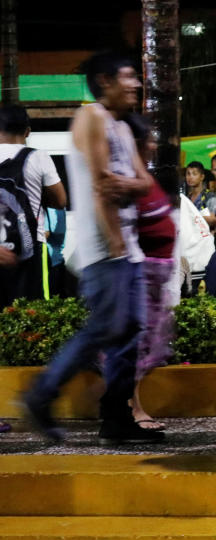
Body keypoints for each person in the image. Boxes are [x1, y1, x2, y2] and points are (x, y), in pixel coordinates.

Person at [21, 52, 162, 444]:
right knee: (107, 327)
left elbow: (143, 182)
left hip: (126, 247)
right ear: (104, 80)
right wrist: (116, 235)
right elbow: (102, 184)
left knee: (129, 333)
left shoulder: (117, 124)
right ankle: (41, 393)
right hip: (106, 248)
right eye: (128, 76)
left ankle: (116, 419)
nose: (136, 84)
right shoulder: (90, 118)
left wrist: (128, 184)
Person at [122, 113, 179, 431]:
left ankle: (127, 402)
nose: (155, 144)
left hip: (157, 277)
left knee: (154, 346)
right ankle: (133, 407)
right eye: (150, 139)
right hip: (143, 275)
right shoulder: (130, 179)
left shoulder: (144, 176)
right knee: (140, 345)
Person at [0, 104, 67, 305]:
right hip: (31, 251)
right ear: (28, 131)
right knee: (34, 314)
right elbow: (60, 200)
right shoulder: (38, 157)